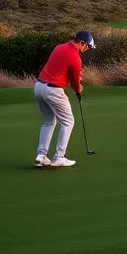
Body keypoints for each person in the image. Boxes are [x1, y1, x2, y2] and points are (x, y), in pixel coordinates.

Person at [33, 30, 94, 168]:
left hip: (39, 86)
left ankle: (41, 155)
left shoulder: (59, 47)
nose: (86, 50)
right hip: (53, 90)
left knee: (49, 121)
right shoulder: (75, 57)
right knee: (68, 122)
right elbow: (75, 81)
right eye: (87, 47)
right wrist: (78, 91)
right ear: (81, 43)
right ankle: (59, 157)